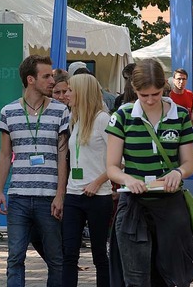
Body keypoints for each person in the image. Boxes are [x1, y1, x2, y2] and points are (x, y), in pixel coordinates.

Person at [105, 58, 193, 286]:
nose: (149, 100)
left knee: (174, 277)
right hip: (134, 206)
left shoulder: (181, 116)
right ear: (134, 90)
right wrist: (127, 178)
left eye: (155, 94)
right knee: (136, 279)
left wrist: (177, 173)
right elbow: (112, 167)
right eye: (143, 95)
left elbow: (188, 163)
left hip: (169, 205)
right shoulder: (122, 116)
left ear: (164, 88)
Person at [0, 55, 69, 287]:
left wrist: (60, 195)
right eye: (46, 76)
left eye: (52, 76)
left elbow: (62, 157)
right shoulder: (8, 112)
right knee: (15, 257)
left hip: (49, 198)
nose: (52, 81)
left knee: (56, 259)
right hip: (18, 197)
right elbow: (5, 155)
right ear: (30, 79)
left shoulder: (61, 111)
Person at [62, 74, 112, 286]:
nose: (66, 95)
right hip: (73, 194)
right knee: (69, 253)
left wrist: (97, 181)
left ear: (82, 92)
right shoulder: (75, 119)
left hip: (99, 196)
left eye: (70, 90)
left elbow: (120, 161)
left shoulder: (103, 119)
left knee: (99, 253)